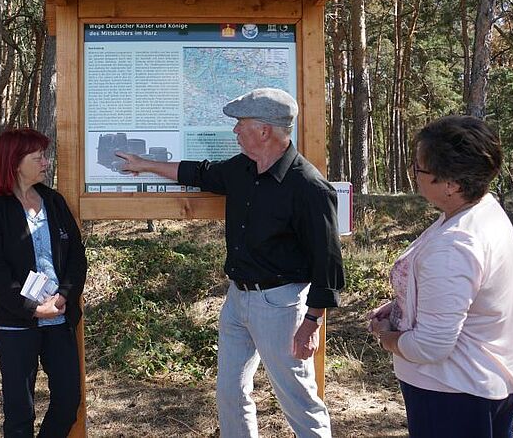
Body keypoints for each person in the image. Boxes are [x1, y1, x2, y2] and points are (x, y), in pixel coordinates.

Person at [117, 87, 344, 438]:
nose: (235, 131)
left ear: (264, 131)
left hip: (281, 306)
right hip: (237, 299)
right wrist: (145, 164)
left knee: (298, 398)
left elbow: (328, 262)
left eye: (241, 124)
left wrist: (312, 321)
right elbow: (198, 173)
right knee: (230, 393)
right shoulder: (242, 169)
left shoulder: (308, 186)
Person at [367, 115, 513, 438]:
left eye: (419, 169)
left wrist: (387, 338)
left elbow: (430, 346)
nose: (414, 174)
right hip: (474, 385)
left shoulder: (455, 244)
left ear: (451, 184)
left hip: (453, 394)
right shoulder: (479, 211)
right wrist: (402, 303)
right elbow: (461, 297)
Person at [0, 128, 87, 437]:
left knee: (69, 400)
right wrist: (33, 309)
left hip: (59, 317)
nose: (45, 162)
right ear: (14, 161)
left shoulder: (53, 201)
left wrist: (64, 296)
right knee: (20, 411)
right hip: (14, 322)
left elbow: (77, 257)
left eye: (44, 156)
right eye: (37, 157)